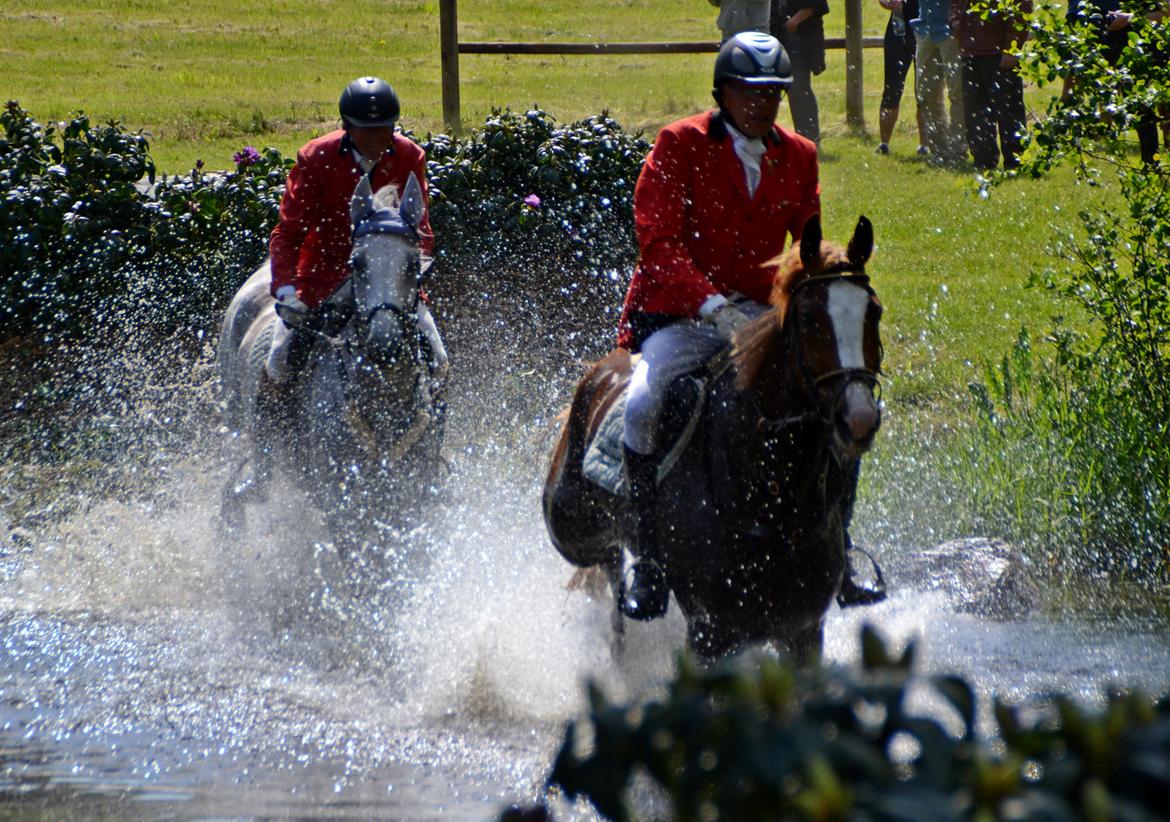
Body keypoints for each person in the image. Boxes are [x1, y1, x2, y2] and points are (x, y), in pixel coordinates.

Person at [615, 32, 883, 620]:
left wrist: (821, 285)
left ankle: (841, 547)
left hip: (762, 313)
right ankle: (650, 560)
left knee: (836, 399)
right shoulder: (678, 143)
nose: (763, 104)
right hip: (682, 314)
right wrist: (712, 305)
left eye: (773, 94)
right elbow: (657, 243)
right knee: (642, 404)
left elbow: (804, 251)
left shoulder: (801, 154)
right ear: (724, 92)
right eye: (750, 92)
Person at [266, 76, 448, 386]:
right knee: (279, 361)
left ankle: (432, 427)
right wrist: (286, 291)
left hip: (390, 281)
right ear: (348, 128)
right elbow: (288, 233)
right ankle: (269, 428)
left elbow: (422, 232)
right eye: (367, 130)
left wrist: (409, 271)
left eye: (385, 129)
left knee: (439, 362)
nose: (378, 138)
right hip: (322, 279)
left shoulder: (410, 156)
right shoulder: (316, 158)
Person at [1065, 0, 1169, 165]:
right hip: (1126, 45)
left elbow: (1166, 12)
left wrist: (1130, 18)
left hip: (1155, 46)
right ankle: (1151, 163)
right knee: (1138, 106)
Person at [949, 0, 1030, 170]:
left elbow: (1021, 11)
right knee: (975, 110)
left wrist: (1011, 49)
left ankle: (1015, 160)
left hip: (999, 53)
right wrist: (955, 22)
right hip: (970, 51)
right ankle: (983, 159)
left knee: (1008, 111)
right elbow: (955, 5)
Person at [911, 0, 967, 163]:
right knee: (926, 94)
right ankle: (940, 152)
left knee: (958, 93)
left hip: (951, 30)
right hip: (926, 28)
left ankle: (958, 152)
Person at [770, 0, 830, 143]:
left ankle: (809, 136)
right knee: (785, 87)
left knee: (799, 86)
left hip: (799, 36)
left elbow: (814, 5)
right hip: (778, 32)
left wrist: (794, 21)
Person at [876, 0, 928, 155]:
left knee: (924, 90)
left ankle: (924, 145)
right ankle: (884, 143)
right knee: (892, 87)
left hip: (925, 27)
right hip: (898, 27)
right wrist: (886, 2)